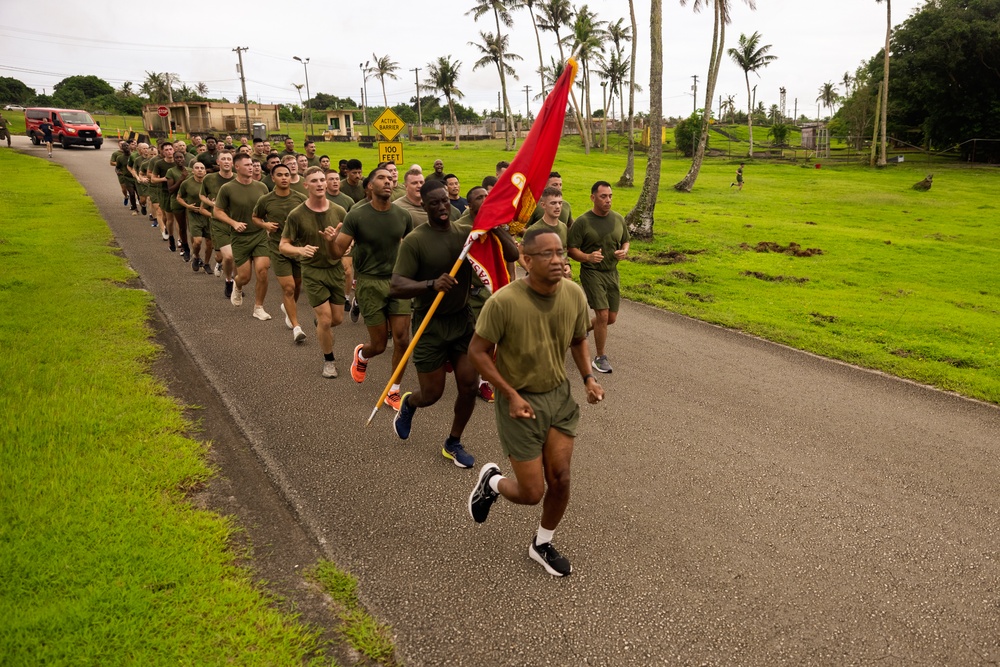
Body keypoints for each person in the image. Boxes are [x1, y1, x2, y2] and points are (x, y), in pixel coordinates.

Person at [467, 227, 605, 577]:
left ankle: (541, 543)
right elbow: (477, 352)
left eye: (560, 252)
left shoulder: (574, 295)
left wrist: (588, 378)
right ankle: (492, 483)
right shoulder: (503, 302)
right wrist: (509, 394)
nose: (558, 260)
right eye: (548, 254)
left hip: (558, 397)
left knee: (560, 479)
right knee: (531, 492)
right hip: (519, 402)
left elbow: (577, 340)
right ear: (526, 260)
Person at [389, 181, 518, 468]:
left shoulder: (466, 234)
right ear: (424, 206)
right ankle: (410, 403)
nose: (442, 207)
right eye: (434, 203)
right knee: (433, 394)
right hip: (429, 326)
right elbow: (396, 285)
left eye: (445, 201)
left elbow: (512, 256)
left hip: (463, 322)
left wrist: (494, 226)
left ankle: (453, 442)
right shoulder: (415, 240)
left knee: (469, 386)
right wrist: (431, 284)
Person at [329, 167, 413, 411]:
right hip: (369, 282)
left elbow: (410, 246)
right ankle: (362, 355)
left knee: (402, 339)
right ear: (369, 187)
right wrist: (330, 242)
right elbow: (336, 253)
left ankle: (393, 391)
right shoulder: (357, 215)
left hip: (397, 281)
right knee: (378, 344)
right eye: (381, 178)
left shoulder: (402, 215)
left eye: (390, 178)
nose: (388, 182)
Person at [280, 167, 348, 378]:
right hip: (312, 271)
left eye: (322, 180)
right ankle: (329, 361)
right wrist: (300, 249)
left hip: (335, 269)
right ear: (306, 185)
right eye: (314, 181)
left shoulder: (339, 211)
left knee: (336, 319)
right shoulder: (297, 214)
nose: (320, 184)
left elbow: (347, 241)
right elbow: (283, 245)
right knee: (326, 320)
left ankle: (321, 326)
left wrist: (344, 245)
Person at [567, 181, 629, 374]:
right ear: (593, 197)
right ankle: (600, 358)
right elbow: (571, 250)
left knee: (610, 318)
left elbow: (626, 240)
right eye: (603, 196)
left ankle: (580, 330)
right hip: (592, 272)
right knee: (602, 315)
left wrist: (624, 252)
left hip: (612, 273)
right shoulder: (583, 222)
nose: (608, 200)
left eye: (610, 196)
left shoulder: (618, 219)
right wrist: (588, 257)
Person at [253, 162, 309, 342]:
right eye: (280, 175)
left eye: (287, 174)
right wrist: (265, 224)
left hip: (298, 249)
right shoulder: (266, 200)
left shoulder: (300, 198)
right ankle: (296, 326)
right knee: (289, 287)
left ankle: (288, 307)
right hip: (278, 250)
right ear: (273, 178)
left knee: (297, 285)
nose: (284, 178)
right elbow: (255, 217)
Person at [214, 153, 271, 320]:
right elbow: (217, 211)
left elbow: (266, 210)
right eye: (246, 165)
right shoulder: (227, 189)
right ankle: (237, 286)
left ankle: (258, 307)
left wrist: (267, 225)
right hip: (240, 237)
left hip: (259, 235)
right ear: (236, 167)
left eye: (252, 164)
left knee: (262, 271)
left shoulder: (261, 187)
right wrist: (233, 223)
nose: (251, 167)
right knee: (245, 277)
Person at [200, 151, 236, 293]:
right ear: (218, 162)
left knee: (235, 257)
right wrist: (211, 203)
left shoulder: (238, 179)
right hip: (218, 222)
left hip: (236, 221)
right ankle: (228, 278)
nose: (227, 161)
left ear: (233, 163)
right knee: (225, 256)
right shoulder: (209, 179)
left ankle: (232, 282)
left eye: (229, 159)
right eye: (224, 159)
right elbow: (201, 195)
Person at [521, 186, 572, 278]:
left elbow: (563, 251)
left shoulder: (563, 227)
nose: (557, 206)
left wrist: (567, 264)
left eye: (560, 203)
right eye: (553, 203)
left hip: (560, 278)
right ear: (543, 205)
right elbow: (520, 253)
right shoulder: (534, 230)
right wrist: (531, 270)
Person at [177, 161, 214, 274]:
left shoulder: (211, 182)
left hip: (208, 215)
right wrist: (187, 206)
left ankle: (207, 263)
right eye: (197, 168)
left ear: (205, 170)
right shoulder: (187, 183)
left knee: (209, 242)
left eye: (202, 168)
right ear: (192, 171)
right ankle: (196, 256)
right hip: (194, 215)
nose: (199, 170)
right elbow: (179, 197)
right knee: (197, 241)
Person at [165, 147, 192, 260]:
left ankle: (195, 249)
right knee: (182, 227)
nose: (179, 159)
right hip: (177, 201)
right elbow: (170, 189)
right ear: (174, 160)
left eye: (181, 157)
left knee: (193, 226)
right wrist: (181, 178)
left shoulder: (191, 170)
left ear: (184, 158)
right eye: (177, 158)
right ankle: (185, 247)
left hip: (190, 201)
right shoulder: (171, 172)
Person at [115, 142, 138, 215]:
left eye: (127, 146)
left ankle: (142, 204)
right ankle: (135, 208)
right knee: (131, 193)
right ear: (122, 148)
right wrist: (118, 172)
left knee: (139, 193)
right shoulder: (120, 158)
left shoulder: (135, 156)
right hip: (127, 178)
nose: (126, 148)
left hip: (136, 177)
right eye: (124, 146)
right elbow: (117, 167)